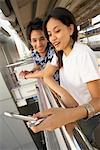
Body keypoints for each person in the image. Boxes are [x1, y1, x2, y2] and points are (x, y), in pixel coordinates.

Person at [29, 7, 100, 144]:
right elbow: (46, 74)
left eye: (57, 31)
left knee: (86, 142)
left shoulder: (82, 54)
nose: (52, 38)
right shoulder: (60, 53)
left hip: (89, 116)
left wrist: (67, 116)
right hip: (75, 111)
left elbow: (98, 100)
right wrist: (64, 95)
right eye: (49, 34)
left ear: (70, 29)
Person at [19, 18, 59, 83]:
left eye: (42, 39)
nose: (39, 44)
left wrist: (27, 76)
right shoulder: (35, 53)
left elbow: (46, 72)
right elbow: (38, 65)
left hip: (64, 86)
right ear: (30, 42)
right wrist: (31, 71)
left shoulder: (54, 50)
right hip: (52, 87)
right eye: (34, 40)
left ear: (47, 38)